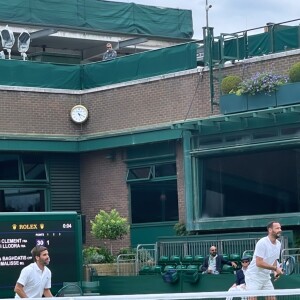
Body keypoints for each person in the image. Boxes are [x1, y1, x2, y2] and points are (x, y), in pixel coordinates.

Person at [245, 221, 284, 300]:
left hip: (266, 277)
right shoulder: (262, 242)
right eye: (277, 228)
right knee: (252, 298)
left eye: (280, 228)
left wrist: (275, 272)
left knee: (272, 298)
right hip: (253, 277)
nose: (280, 230)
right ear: (270, 230)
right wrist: (275, 269)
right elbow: (259, 263)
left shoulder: (278, 244)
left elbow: (274, 260)